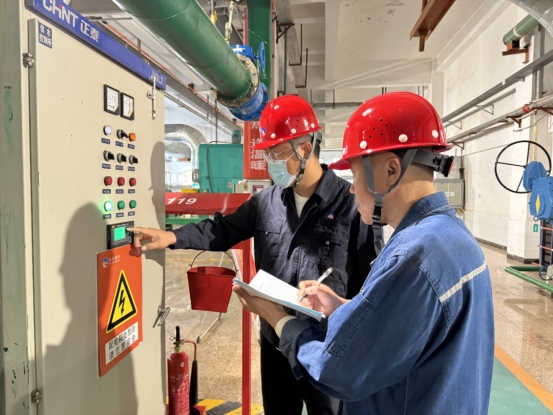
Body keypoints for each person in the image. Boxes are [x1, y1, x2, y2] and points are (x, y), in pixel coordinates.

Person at [233, 92, 495, 414]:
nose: (352, 187)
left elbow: (339, 371)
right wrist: (343, 308)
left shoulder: (413, 258)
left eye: (355, 173)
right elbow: (406, 324)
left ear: (390, 170)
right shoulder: (454, 238)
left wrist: (277, 318)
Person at [130, 95, 375, 415]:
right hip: (275, 340)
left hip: (323, 345)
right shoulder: (266, 203)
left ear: (304, 149)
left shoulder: (350, 205)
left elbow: (367, 281)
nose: (271, 162)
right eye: (268, 153)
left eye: (277, 153)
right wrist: (173, 236)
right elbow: (222, 230)